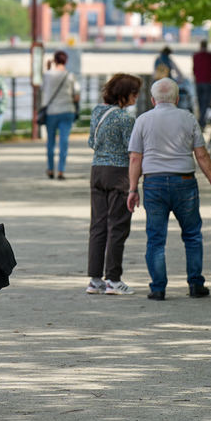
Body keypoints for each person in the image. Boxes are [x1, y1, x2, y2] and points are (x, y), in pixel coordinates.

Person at [127, 77, 211, 301]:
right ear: (177, 99)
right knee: (192, 235)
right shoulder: (188, 118)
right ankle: (195, 284)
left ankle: (158, 288)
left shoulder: (142, 120)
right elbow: (201, 155)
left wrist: (132, 189)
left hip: (154, 183)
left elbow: (135, 158)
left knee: (155, 238)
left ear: (153, 100)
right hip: (184, 182)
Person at [85, 73, 142, 296]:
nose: (137, 97)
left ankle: (95, 279)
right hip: (119, 174)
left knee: (98, 226)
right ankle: (114, 279)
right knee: (117, 227)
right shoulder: (126, 119)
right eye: (134, 93)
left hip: (97, 171)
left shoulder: (97, 112)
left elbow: (92, 142)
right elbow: (133, 150)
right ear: (124, 94)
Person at [41, 50, 79, 180]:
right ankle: (61, 170)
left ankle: (50, 169)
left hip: (51, 112)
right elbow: (77, 95)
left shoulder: (47, 75)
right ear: (66, 61)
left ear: (55, 60)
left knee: (50, 142)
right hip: (67, 111)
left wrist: (48, 68)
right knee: (64, 142)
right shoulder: (70, 76)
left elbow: (43, 89)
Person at [191, 40, 211, 128]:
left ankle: (201, 121)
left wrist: (195, 78)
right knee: (205, 102)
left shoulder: (196, 56)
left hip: (199, 81)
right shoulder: (210, 56)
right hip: (207, 81)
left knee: (200, 102)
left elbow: (194, 69)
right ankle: (202, 121)